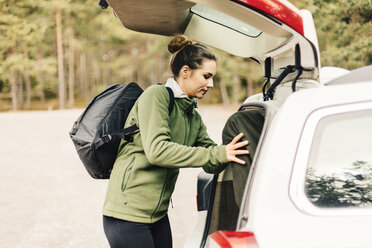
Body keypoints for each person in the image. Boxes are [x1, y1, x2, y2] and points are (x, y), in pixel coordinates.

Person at [102, 34, 249, 248]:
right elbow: (157, 151)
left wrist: (239, 149)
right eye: (206, 76)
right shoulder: (157, 96)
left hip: (157, 215)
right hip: (127, 214)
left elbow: (211, 159)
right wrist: (218, 153)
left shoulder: (192, 115)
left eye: (213, 77)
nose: (211, 84)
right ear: (186, 71)